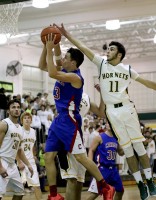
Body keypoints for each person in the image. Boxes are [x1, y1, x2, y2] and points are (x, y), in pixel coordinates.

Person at [54, 23, 156, 200]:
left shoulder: (128, 69)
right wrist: (67, 34)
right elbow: (83, 48)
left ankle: (150, 180)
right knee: (128, 150)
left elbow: (146, 82)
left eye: (111, 49)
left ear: (119, 54)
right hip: (111, 112)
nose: (107, 51)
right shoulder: (101, 64)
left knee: (138, 145)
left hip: (127, 108)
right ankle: (140, 183)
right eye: (107, 49)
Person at [38, 34, 114, 200]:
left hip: (70, 121)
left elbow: (51, 72)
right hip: (60, 119)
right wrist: (46, 46)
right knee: (48, 155)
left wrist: (50, 48)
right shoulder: (64, 71)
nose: (63, 59)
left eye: (66, 57)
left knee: (78, 166)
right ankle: (53, 195)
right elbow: (42, 65)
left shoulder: (75, 77)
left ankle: (105, 186)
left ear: (72, 62)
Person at [0, 99, 33, 200]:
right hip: (2, 160)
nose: (16, 109)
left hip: (12, 164)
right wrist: (0, 167)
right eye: (13, 107)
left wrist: (28, 164)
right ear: (8, 111)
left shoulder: (20, 128)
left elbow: (19, 150)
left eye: (18, 107)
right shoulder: (4, 124)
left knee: (19, 192)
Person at [87, 121, 124, 200]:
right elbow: (91, 150)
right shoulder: (99, 137)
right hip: (103, 169)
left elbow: (121, 152)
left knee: (120, 190)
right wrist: (90, 164)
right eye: (108, 123)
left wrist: (128, 146)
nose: (109, 124)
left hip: (113, 169)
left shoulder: (116, 138)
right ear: (106, 125)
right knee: (94, 194)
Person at [16, 112, 42, 200]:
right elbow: (16, 149)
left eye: (28, 118)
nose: (27, 119)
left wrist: (34, 155)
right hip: (21, 161)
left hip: (30, 162)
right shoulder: (19, 130)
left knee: (37, 186)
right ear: (22, 120)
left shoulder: (33, 131)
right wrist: (19, 162)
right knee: (20, 187)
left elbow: (32, 146)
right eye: (25, 118)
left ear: (31, 120)